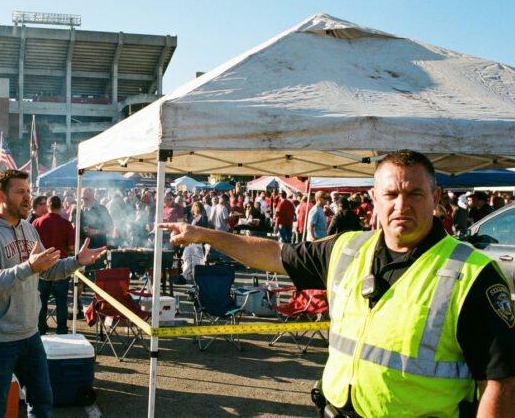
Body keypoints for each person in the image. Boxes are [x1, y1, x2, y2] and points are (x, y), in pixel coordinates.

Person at [160, 150, 515, 417]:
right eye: (391, 195)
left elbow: (500, 382)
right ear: (374, 199)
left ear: (436, 199)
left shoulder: (472, 273)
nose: (401, 205)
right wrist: (204, 234)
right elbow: (272, 254)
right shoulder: (347, 248)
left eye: (415, 194)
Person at [0, 170, 106, 418]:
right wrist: (28, 267)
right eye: (20, 192)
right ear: (0, 196)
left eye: (28, 192)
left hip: (29, 334)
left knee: (42, 401)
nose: (28, 198)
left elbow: (48, 271)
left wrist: (77, 261)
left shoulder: (29, 229)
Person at [32, 196, 75, 335]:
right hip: (61, 268)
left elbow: (31, 246)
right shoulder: (66, 224)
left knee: (41, 303)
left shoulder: (37, 222)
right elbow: (72, 246)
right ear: (61, 206)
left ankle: (41, 329)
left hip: (42, 268)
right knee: (61, 303)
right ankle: (61, 330)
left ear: (48, 206)